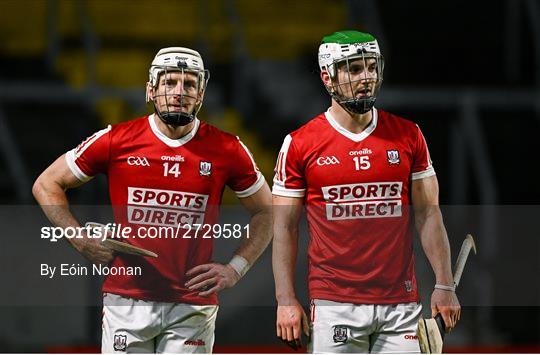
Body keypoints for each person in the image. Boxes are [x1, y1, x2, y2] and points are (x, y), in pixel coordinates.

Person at [33, 47, 272, 353]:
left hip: (192, 306)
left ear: (201, 94)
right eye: (169, 82)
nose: (179, 92)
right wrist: (79, 240)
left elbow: (268, 210)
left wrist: (236, 268)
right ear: (151, 89)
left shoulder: (227, 149)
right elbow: (46, 183)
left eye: (189, 84)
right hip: (126, 301)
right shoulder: (115, 140)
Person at [272, 30, 460, 353]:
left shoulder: (409, 135)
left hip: (401, 305)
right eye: (354, 69)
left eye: (371, 67)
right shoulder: (300, 144)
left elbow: (429, 213)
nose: (367, 77)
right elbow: (285, 227)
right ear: (327, 77)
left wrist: (444, 284)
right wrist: (285, 299)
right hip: (334, 305)